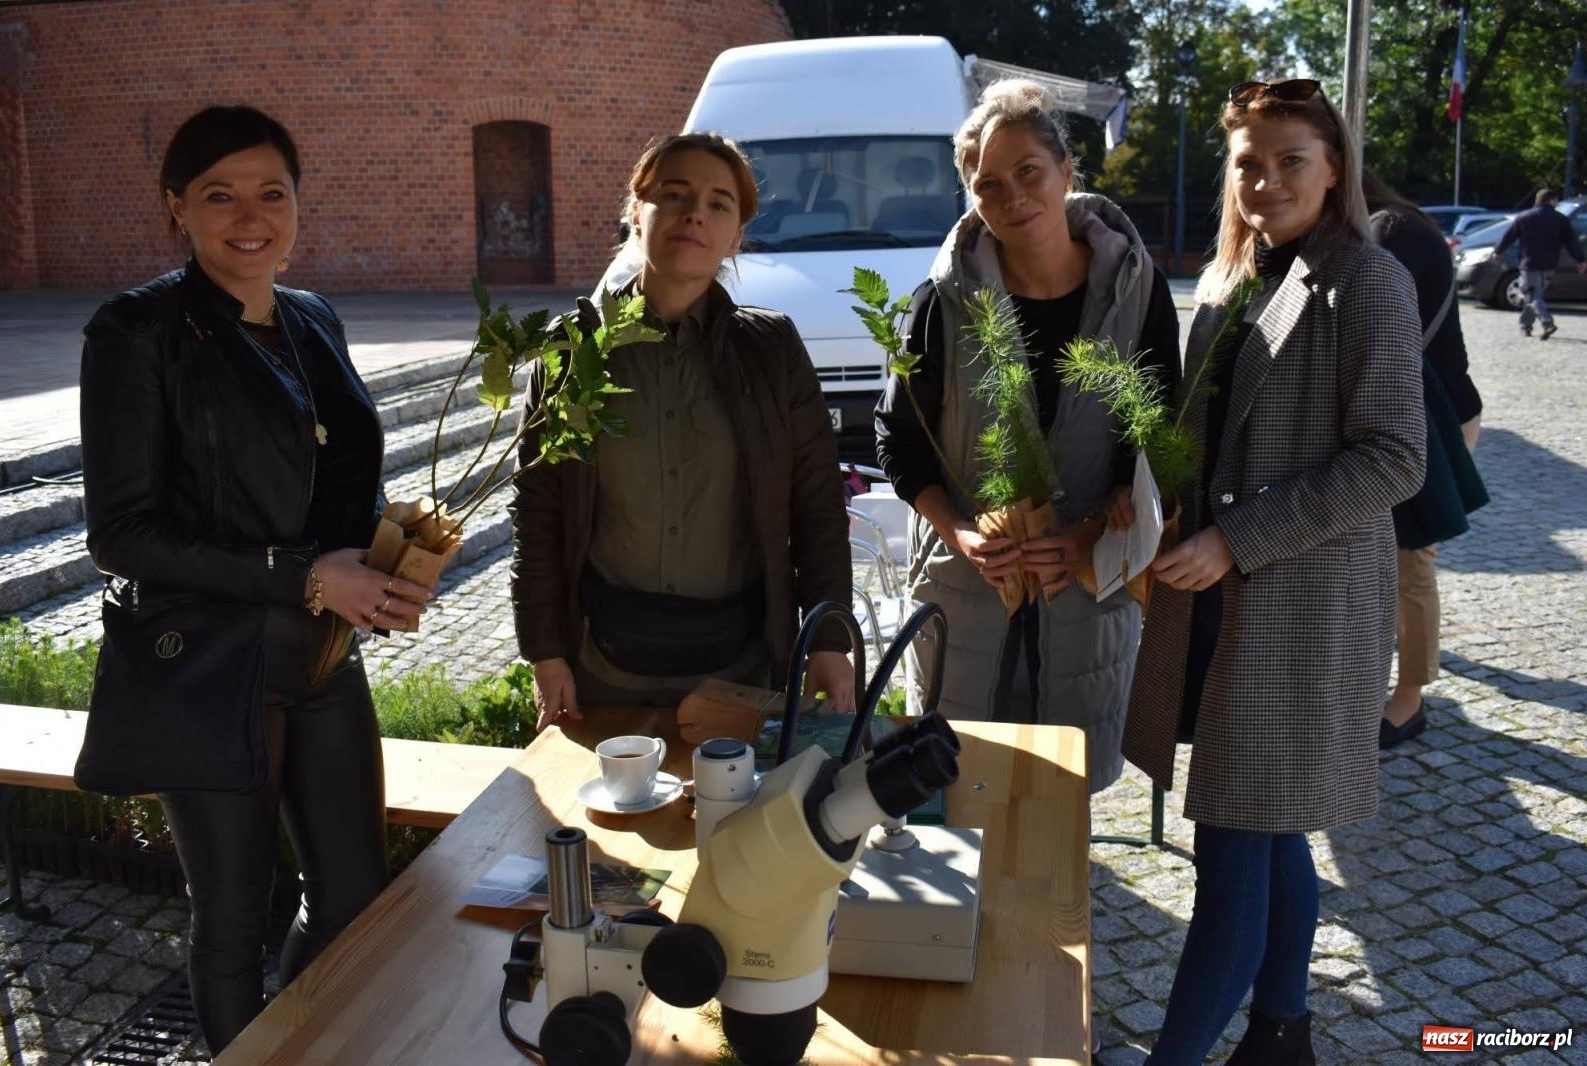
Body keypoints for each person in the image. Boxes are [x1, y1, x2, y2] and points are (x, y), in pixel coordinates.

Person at [79, 106, 430, 1054]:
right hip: (208, 667)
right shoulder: (134, 331)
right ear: (176, 209)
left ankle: (310, 1045)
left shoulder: (314, 317)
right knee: (233, 920)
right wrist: (307, 576)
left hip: (321, 662)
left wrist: (390, 563)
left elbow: (342, 483)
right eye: (219, 195)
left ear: (297, 203)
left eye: (271, 192)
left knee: (354, 900)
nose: (250, 216)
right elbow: (120, 534)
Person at [1121, 79, 1425, 1064]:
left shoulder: (1366, 281)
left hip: (1300, 604)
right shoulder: (1231, 274)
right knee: (1270, 825)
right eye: (1248, 162)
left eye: (1291, 158)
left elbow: (1392, 458)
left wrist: (1233, 539)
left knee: (1232, 838)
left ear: (1332, 166)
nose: (1266, 179)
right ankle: (1282, 1028)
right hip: (1224, 597)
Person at [873, 79, 1180, 792]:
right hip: (969, 592)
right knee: (957, 792)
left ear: (1068, 172)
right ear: (970, 197)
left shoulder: (1138, 294)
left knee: (1059, 803)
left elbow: (1158, 440)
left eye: (1028, 172)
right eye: (987, 184)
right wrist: (960, 532)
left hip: (1082, 592)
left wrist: (1095, 531)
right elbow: (898, 440)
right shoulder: (940, 304)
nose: (1011, 195)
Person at [512, 133, 854, 727]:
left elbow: (816, 502)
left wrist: (828, 640)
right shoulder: (574, 349)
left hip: (740, 667)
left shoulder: (771, 351)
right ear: (634, 214)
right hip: (604, 665)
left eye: (719, 203)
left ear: (736, 236)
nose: (695, 212)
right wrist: (545, 651)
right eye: (674, 194)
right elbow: (539, 512)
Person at [1362, 170, 1487, 748]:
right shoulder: (1386, 225)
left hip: (1430, 421)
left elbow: (1373, 324)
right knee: (1385, 560)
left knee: (1411, 562)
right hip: (1403, 416)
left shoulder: (1396, 230)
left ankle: (1409, 700)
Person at [1495, 188, 1587, 340]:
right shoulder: (1561, 219)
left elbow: (1508, 236)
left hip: (1529, 263)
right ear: (1552, 201)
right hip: (1550, 265)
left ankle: (1547, 323)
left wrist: (1498, 251)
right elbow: (1572, 242)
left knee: (1532, 296)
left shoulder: (1524, 217)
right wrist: (1580, 260)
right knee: (1535, 297)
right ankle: (1525, 327)